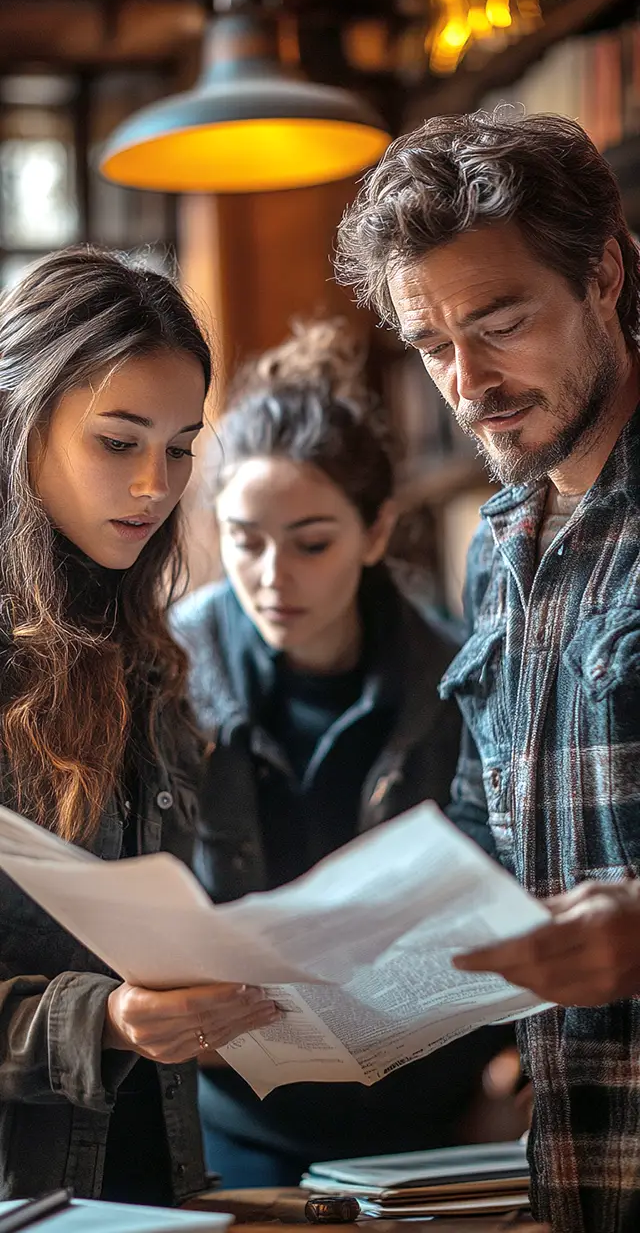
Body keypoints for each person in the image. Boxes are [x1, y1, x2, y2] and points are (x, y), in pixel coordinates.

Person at [335, 109, 640, 1232]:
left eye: (501, 321)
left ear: (601, 274)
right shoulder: (495, 548)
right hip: (577, 1179)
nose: (466, 381)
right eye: (429, 343)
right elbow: (485, 839)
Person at [171, 319, 512, 1188]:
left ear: (375, 531)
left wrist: (510, 1074)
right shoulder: (165, 671)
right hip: (231, 1126)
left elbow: (506, 891)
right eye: (244, 539)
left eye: (311, 541)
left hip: (433, 1129)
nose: (272, 578)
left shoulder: (456, 681)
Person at [0, 246, 279, 1204]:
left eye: (181, 445)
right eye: (118, 443)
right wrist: (104, 1023)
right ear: (18, 424)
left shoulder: (150, 657)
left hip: (154, 1190)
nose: (157, 485)